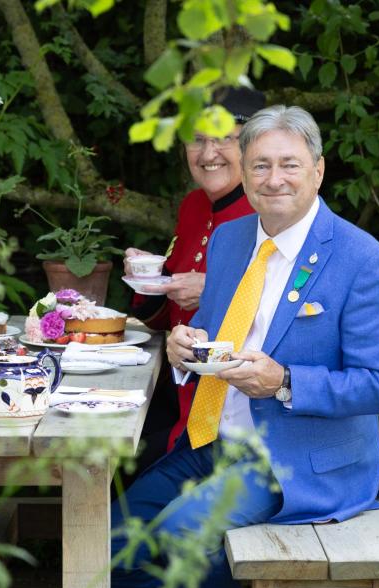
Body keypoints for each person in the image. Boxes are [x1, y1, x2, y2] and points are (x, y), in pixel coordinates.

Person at [111, 105, 379, 588]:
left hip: (297, 462)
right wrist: (184, 346)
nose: (274, 180)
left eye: (289, 164)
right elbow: (213, 332)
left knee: (181, 540)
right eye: (260, 166)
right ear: (245, 172)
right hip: (212, 442)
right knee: (110, 543)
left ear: (318, 170)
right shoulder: (230, 240)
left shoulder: (364, 261)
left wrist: (286, 381)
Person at [125, 86, 266, 467]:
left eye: (223, 139)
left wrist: (213, 292)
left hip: (223, 410)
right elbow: (158, 319)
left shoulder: (268, 213)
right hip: (171, 388)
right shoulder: (193, 205)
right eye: (197, 139)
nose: (208, 154)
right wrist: (151, 278)